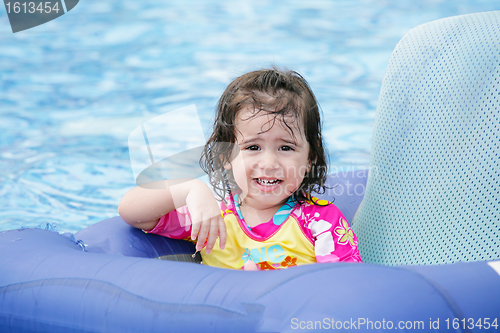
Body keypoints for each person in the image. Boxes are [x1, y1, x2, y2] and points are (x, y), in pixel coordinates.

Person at [118, 68, 362, 270]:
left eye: (286, 148)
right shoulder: (212, 216)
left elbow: (342, 287)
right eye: (253, 147)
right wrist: (191, 190)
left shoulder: (321, 222)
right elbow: (131, 211)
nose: (269, 163)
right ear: (227, 155)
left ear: (310, 158)